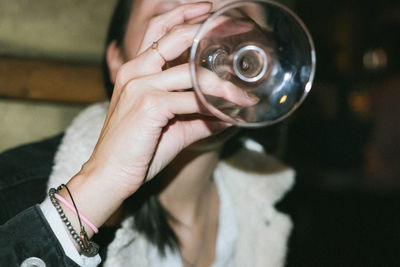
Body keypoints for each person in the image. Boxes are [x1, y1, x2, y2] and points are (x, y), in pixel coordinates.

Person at [0, 0, 295, 266]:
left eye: (231, 21)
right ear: (118, 62)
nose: (202, 49)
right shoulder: (12, 194)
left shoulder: (275, 210)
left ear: (268, 65)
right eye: (173, 22)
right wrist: (98, 186)